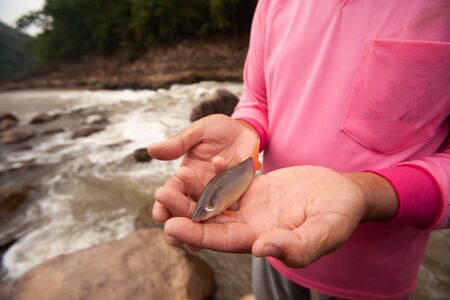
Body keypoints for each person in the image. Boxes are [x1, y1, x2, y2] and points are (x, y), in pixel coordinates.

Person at [148, 1, 450, 299]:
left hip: (375, 274)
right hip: (265, 228)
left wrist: (367, 193)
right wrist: (246, 130)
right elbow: (258, 98)